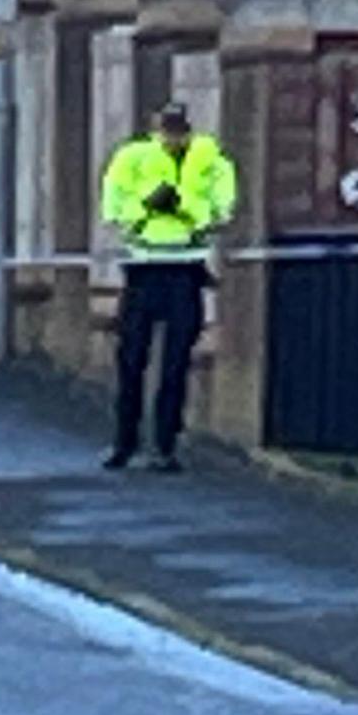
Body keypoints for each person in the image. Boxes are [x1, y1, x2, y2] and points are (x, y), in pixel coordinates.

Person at [98, 101, 236, 472]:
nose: (171, 136)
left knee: (176, 365)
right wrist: (148, 207)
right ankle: (124, 443)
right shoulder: (132, 157)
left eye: (178, 129)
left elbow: (222, 211)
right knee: (131, 362)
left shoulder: (211, 159)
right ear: (155, 127)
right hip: (142, 270)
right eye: (166, 129)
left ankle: (165, 446)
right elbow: (113, 208)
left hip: (185, 271)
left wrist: (180, 207)